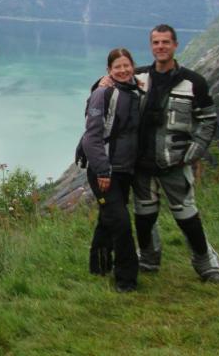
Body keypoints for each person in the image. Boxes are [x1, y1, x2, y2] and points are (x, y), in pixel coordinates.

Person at [131, 24, 219, 282]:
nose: (161, 47)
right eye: (156, 43)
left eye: (165, 42)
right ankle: (148, 257)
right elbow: (108, 89)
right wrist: (101, 82)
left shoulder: (193, 83)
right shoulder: (139, 79)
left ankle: (206, 262)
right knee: (144, 216)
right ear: (151, 46)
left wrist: (193, 153)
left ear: (175, 45)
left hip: (174, 163)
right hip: (142, 165)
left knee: (187, 216)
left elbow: (208, 120)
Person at [80, 47, 143, 292]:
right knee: (122, 224)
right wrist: (103, 171)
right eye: (117, 67)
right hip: (104, 171)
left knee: (108, 218)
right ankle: (126, 280)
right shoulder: (103, 94)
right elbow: (91, 138)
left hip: (124, 168)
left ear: (133, 66)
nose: (123, 70)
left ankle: (99, 266)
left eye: (127, 65)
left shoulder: (136, 90)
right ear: (109, 70)